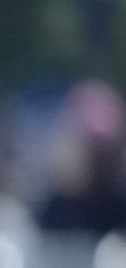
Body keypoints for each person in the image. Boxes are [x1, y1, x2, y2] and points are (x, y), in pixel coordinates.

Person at [33, 78, 126, 237]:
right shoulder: (53, 208)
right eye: (91, 151)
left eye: (104, 151)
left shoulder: (119, 203)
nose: (97, 162)